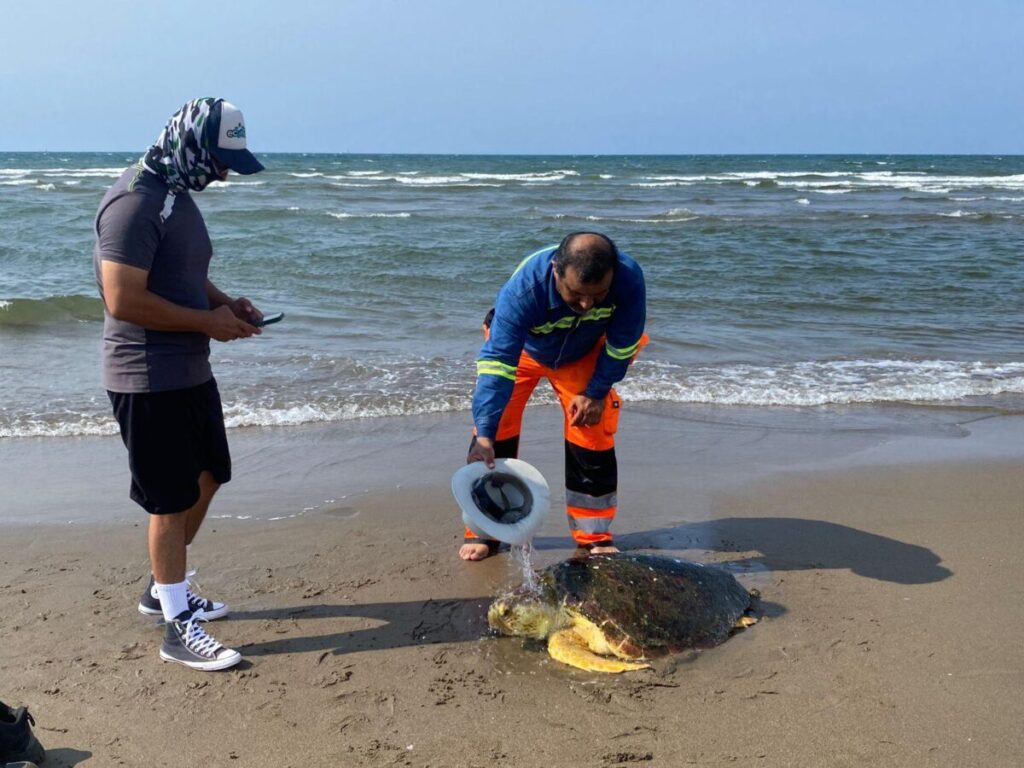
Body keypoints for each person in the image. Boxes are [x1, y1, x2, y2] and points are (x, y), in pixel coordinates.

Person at [93, 98, 266, 670]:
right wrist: (207, 323)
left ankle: (160, 589)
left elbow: (185, 274)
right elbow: (123, 299)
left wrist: (225, 303)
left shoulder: (174, 194)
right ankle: (176, 627)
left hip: (187, 367)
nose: (222, 174)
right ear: (191, 146)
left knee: (210, 474)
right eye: (219, 161)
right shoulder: (133, 204)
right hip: (146, 376)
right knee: (169, 500)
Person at [461, 232, 647, 560]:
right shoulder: (524, 291)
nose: (587, 305)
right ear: (556, 271)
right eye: (576, 294)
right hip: (521, 352)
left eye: (598, 295)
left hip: (583, 353)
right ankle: (486, 530)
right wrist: (486, 430)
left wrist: (596, 392)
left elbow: (622, 346)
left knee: (592, 428)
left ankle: (594, 534)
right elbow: (498, 366)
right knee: (492, 432)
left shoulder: (629, 280)